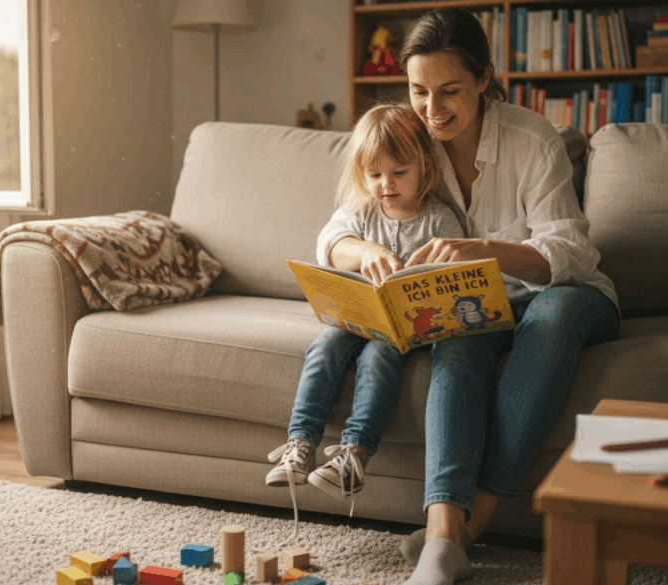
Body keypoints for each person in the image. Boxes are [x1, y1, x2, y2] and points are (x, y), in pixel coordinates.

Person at [317, 8, 622, 585]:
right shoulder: (410, 141)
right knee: (456, 346)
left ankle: (471, 525)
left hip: (564, 294)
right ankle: (441, 539)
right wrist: (365, 254)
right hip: (484, 308)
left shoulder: (533, 139)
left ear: (484, 79)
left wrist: (486, 250)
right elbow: (334, 235)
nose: (432, 110)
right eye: (418, 92)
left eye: (450, 91)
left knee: (550, 319)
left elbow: (573, 253)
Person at [266, 103, 465, 541]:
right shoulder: (361, 210)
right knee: (325, 345)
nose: (386, 185)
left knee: (378, 358)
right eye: (374, 174)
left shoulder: (439, 219)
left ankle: (353, 458)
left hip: (404, 329)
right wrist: (364, 252)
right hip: (357, 317)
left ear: (424, 167)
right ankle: (300, 444)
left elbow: (446, 287)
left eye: (399, 173)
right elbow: (330, 243)